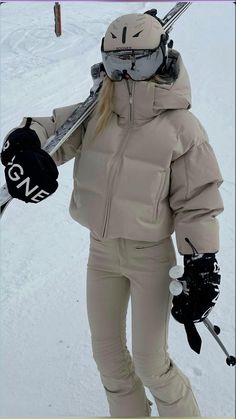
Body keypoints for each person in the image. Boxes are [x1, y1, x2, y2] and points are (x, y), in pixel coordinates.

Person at [1, 11, 224, 418]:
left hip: (150, 258)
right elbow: (53, 128)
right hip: (101, 254)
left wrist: (201, 262)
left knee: (150, 363)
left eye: (140, 62)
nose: (127, 75)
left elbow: (198, 201)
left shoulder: (182, 127)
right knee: (107, 358)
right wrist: (25, 142)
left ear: (163, 57)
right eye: (117, 63)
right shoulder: (96, 111)